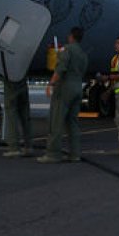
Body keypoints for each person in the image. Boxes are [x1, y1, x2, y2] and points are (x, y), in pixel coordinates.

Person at [40, 27, 88, 164]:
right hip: (78, 87)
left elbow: (60, 68)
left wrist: (51, 84)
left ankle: (53, 154)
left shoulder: (66, 50)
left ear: (71, 36)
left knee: (56, 121)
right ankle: (75, 154)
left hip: (65, 87)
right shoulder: (83, 54)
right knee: (73, 123)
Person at [1, 75, 33, 158]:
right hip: (22, 78)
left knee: (11, 113)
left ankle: (14, 148)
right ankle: (28, 146)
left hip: (10, 78)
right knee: (25, 113)